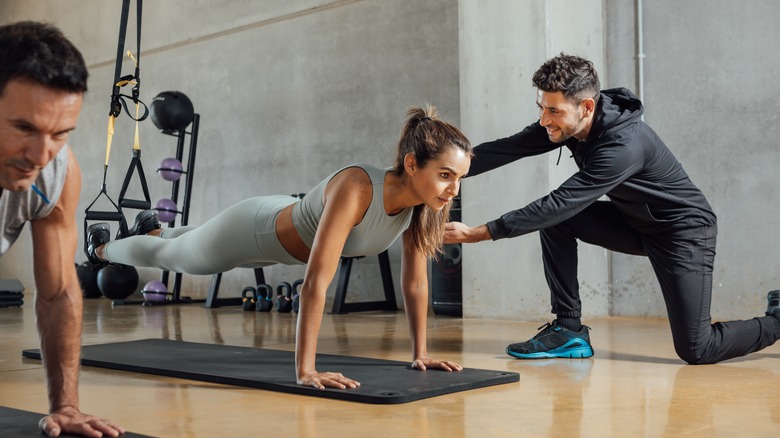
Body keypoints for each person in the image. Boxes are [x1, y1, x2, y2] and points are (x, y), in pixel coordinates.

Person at [87, 105, 471, 388]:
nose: (452, 189)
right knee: (177, 258)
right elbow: (316, 282)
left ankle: (150, 229)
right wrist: (306, 370)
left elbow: (416, 284)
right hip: (255, 229)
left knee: (183, 241)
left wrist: (419, 354)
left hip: (278, 226)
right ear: (410, 164)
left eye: (458, 178)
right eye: (444, 175)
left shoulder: (423, 207)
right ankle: (102, 250)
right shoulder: (358, 187)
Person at [444, 53, 780, 364]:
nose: (544, 120)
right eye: (542, 107)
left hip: (684, 233)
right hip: (636, 224)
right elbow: (505, 149)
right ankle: (568, 329)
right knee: (559, 221)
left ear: (586, 107)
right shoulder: (568, 125)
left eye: (554, 111)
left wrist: (480, 233)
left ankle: (777, 320)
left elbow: (564, 200)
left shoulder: (623, 145)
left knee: (697, 348)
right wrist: (436, 171)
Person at [0, 22, 125, 437]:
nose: (40, 154)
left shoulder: (56, 171)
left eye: (59, 133)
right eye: (23, 128)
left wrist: (66, 406)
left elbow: (57, 293)